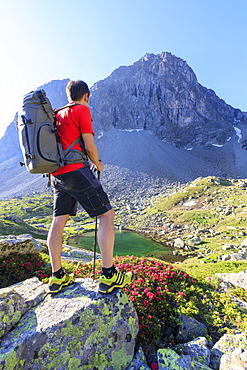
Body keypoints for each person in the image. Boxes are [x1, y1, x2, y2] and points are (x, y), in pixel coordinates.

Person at [47, 80, 133, 294]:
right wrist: (98, 163)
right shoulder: (81, 110)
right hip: (76, 171)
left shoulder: (57, 114)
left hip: (56, 175)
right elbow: (89, 145)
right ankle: (109, 274)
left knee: (58, 221)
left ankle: (57, 277)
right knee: (107, 215)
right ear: (86, 96)